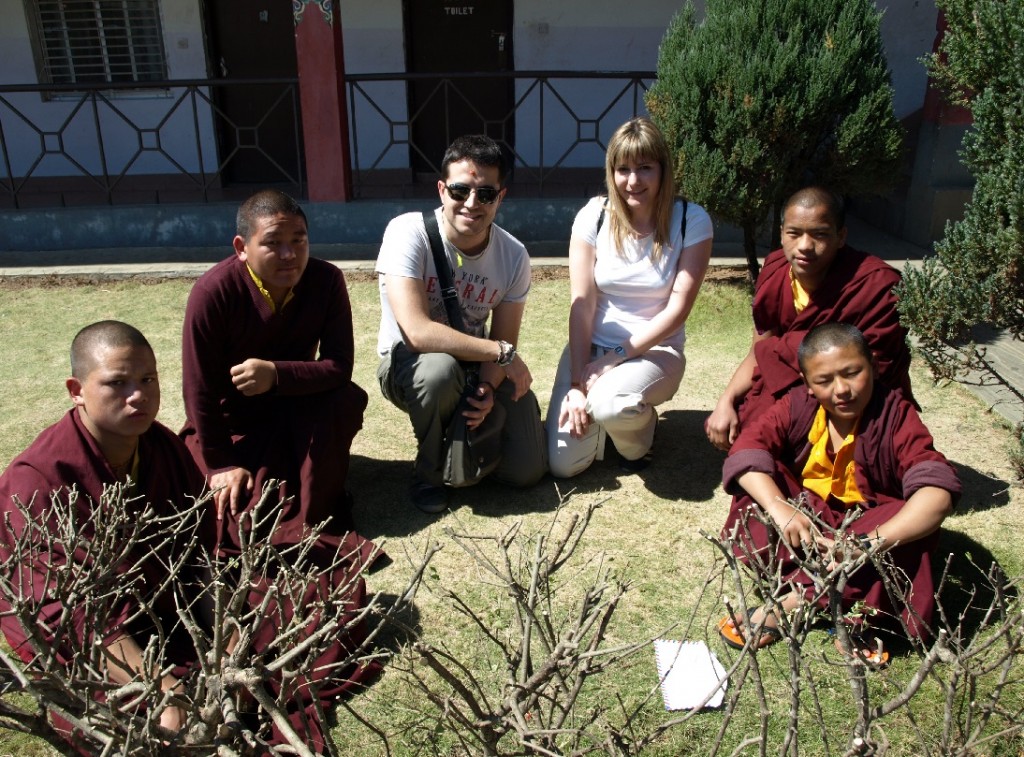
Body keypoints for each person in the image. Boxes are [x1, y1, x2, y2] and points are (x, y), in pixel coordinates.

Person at [0, 321, 208, 734]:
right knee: (152, 721)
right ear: (76, 391)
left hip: (159, 605)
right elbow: (68, 612)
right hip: (82, 633)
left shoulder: (160, 445)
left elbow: (197, 546)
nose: (139, 396)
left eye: (148, 379)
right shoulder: (38, 480)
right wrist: (159, 688)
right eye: (117, 383)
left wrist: (224, 633)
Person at [716, 323, 959, 659]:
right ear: (807, 384)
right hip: (809, 527)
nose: (842, 390)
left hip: (866, 532)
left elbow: (937, 493)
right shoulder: (796, 406)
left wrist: (866, 546)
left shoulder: (896, 414)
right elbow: (746, 451)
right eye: (825, 380)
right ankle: (826, 593)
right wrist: (782, 509)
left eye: (852, 373)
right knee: (755, 485)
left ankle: (804, 598)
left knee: (910, 523)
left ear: (872, 366)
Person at [180, 188, 373, 554]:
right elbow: (198, 388)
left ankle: (318, 501)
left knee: (343, 399)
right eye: (273, 243)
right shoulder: (213, 292)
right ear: (242, 247)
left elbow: (338, 367)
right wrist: (221, 463)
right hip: (234, 424)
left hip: (296, 406)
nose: (289, 255)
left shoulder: (326, 280)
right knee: (241, 512)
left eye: (299, 241)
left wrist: (275, 375)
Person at [375, 134, 547, 513]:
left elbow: (504, 336)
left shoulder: (514, 256)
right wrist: (501, 354)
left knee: (527, 472)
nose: (472, 203)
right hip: (410, 367)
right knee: (438, 371)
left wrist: (486, 388)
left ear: (500, 197)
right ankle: (429, 473)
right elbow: (417, 333)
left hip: (474, 366)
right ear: (441, 190)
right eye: (459, 190)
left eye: (485, 194)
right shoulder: (408, 232)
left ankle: (467, 452)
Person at [546, 117, 714, 477]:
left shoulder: (690, 220)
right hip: (590, 353)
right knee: (563, 465)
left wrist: (613, 358)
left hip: (654, 353)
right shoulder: (593, 217)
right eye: (623, 169)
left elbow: (678, 308)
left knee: (612, 404)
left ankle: (639, 436)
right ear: (611, 172)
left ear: (663, 171)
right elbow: (582, 303)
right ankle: (603, 421)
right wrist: (577, 383)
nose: (633, 181)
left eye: (645, 168)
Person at [705, 186, 912, 451]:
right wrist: (727, 399)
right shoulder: (775, 269)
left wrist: (788, 351)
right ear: (782, 234)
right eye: (794, 233)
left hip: (847, 400)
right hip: (789, 391)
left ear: (841, 237)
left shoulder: (877, 285)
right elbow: (759, 350)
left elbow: (875, 371)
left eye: (820, 234)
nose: (805, 246)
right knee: (745, 430)